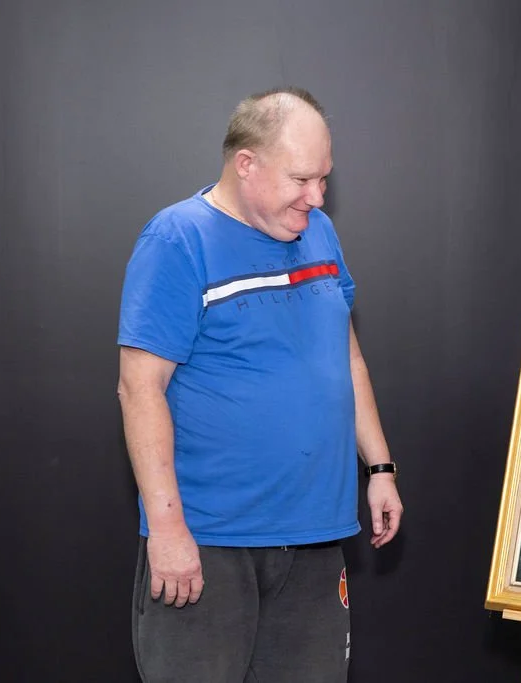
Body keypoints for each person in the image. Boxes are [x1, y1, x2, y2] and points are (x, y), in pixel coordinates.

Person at [115, 86, 402, 683]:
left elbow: (346, 355)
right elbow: (139, 390)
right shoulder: (177, 239)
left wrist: (379, 467)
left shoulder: (318, 232)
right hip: (210, 542)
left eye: (324, 179)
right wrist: (166, 531)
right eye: (301, 179)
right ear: (246, 164)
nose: (316, 197)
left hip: (315, 536)